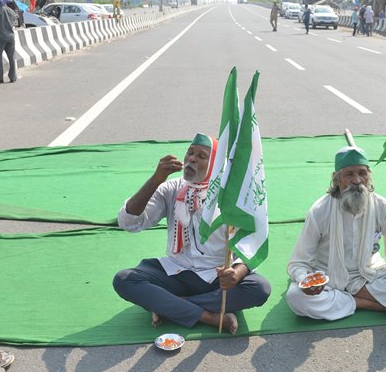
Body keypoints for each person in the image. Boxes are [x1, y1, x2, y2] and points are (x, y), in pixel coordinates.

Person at [113, 133, 272, 334]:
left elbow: (251, 241)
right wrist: (155, 180)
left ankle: (172, 305)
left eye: (201, 156)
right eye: (190, 153)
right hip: (176, 272)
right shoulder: (172, 188)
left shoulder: (230, 194)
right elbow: (129, 222)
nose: (192, 159)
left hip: (217, 277)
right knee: (124, 279)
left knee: (259, 288)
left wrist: (237, 273)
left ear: (215, 164)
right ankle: (208, 316)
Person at [285, 145, 386, 321]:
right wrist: (305, 279)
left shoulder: (382, 207)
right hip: (326, 276)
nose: (357, 180)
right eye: (349, 174)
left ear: (369, 177)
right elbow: (297, 263)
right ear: (337, 180)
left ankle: (346, 299)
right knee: (296, 298)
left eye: (362, 173)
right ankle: (373, 305)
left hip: (368, 274)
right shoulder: (320, 210)